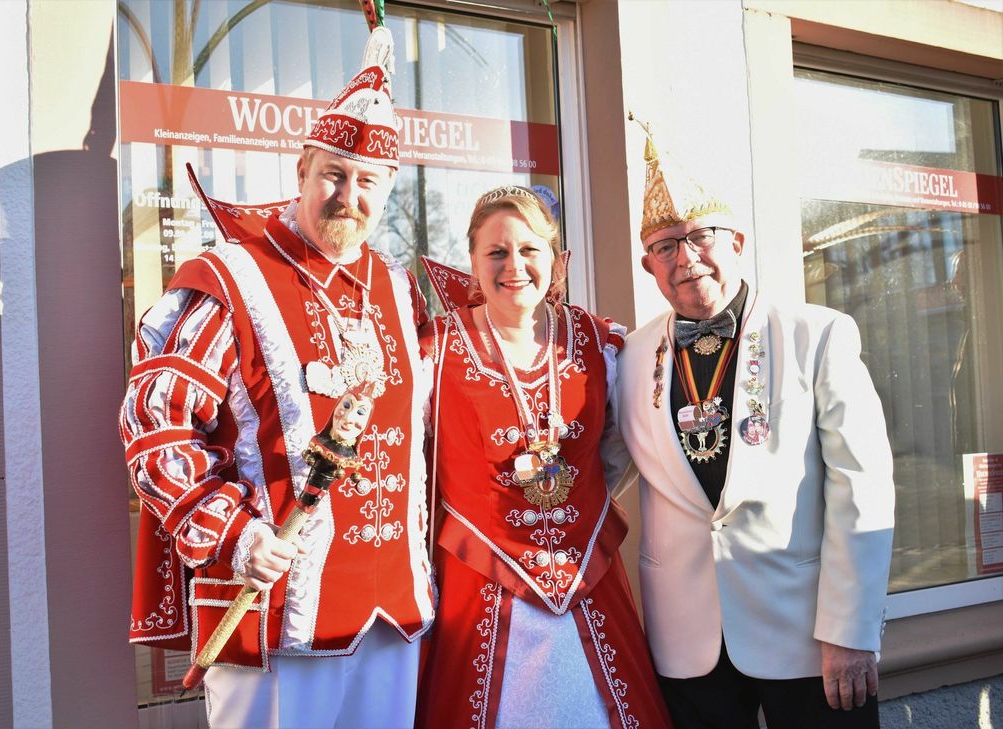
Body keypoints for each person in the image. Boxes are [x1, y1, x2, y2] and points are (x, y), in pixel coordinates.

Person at [120, 27, 434, 728]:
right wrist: (236, 534)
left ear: (388, 191)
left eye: (367, 181)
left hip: (392, 614)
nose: (348, 195)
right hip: (275, 611)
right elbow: (156, 424)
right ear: (301, 170)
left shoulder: (397, 287)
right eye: (333, 174)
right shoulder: (231, 276)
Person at [615, 133, 895, 728]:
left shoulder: (818, 334)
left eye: (701, 236)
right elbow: (599, 474)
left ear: (737, 242)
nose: (686, 257)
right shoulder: (630, 356)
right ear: (649, 265)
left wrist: (850, 628)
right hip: (685, 641)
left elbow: (862, 486)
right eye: (665, 246)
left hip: (809, 638)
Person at [415, 186, 672, 729]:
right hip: (479, 584)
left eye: (530, 249)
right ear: (473, 261)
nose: (514, 266)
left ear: (555, 259)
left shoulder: (599, 341)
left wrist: (582, 505)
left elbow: (621, 447)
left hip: (586, 577)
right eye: (497, 252)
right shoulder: (432, 351)